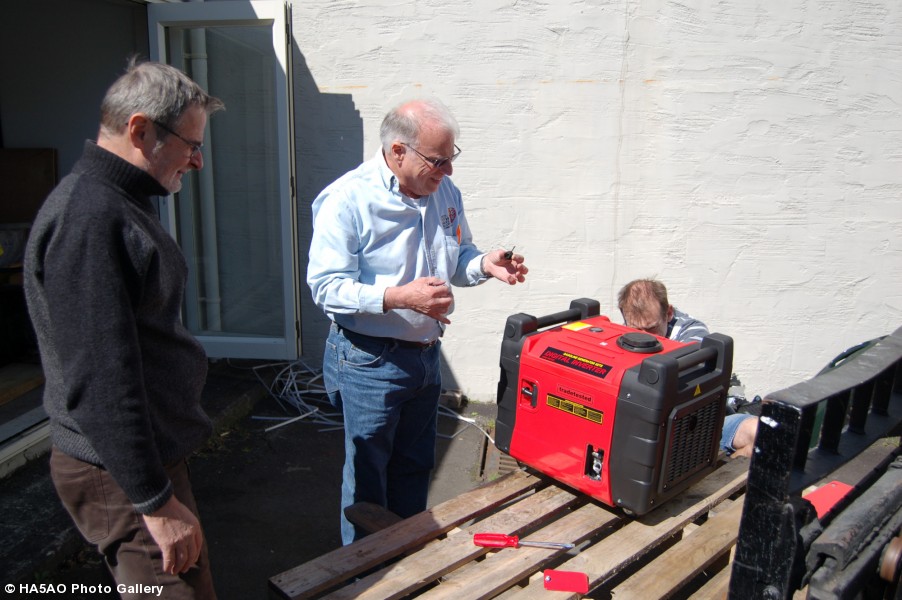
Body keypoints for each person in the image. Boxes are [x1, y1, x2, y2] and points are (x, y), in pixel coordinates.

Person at [23, 59, 224, 598]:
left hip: (137, 464)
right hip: (115, 472)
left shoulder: (121, 204)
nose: (198, 161)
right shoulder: (90, 218)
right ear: (140, 131)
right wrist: (153, 501)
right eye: (190, 144)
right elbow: (99, 380)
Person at [307, 98, 528, 544]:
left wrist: (485, 263)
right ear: (397, 151)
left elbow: (457, 258)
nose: (448, 172)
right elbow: (326, 287)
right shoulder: (346, 200)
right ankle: (362, 581)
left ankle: (407, 560)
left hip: (425, 357)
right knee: (368, 480)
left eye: (452, 158)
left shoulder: (443, 192)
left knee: (414, 469)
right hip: (369, 360)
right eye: (438, 160)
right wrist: (398, 298)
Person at [617, 278, 757, 458]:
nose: (645, 338)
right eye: (636, 329)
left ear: (668, 313)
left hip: (701, 425)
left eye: (651, 328)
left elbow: (684, 380)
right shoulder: (620, 333)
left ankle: (728, 462)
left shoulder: (692, 332)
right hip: (648, 430)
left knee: (758, 433)